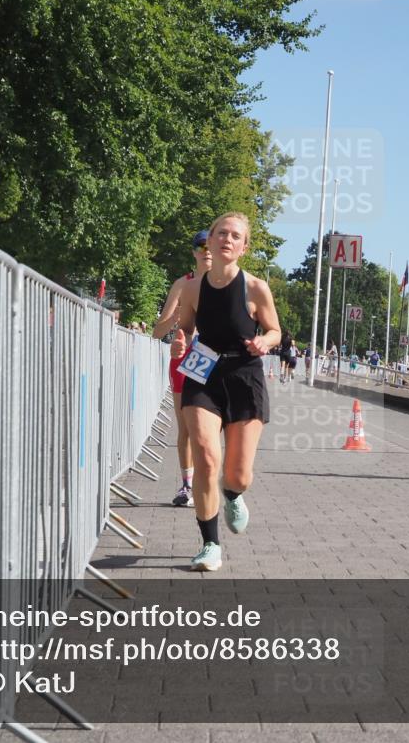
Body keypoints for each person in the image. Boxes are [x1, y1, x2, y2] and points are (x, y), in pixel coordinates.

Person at [171, 212, 281, 572]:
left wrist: (265, 340)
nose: (227, 240)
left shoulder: (255, 288)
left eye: (236, 236)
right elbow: (184, 328)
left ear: (244, 247)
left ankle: (233, 494)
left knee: (237, 475)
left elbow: (276, 331)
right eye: (221, 233)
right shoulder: (192, 288)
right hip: (204, 374)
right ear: (210, 241)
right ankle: (210, 544)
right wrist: (180, 339)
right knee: (205, 454)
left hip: (244, 375)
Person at [152, 230, 212, 506]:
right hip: (184, 358)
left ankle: (209, 479)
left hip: (214, 357)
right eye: (201, 246)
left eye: (211, 245)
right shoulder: (182, 283)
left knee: (210, 427)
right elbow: (157, 332)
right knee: (186, 427)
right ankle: (186, 486)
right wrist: (175, 319)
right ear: (194, 252)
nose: (207, 250)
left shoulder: (229, 283)